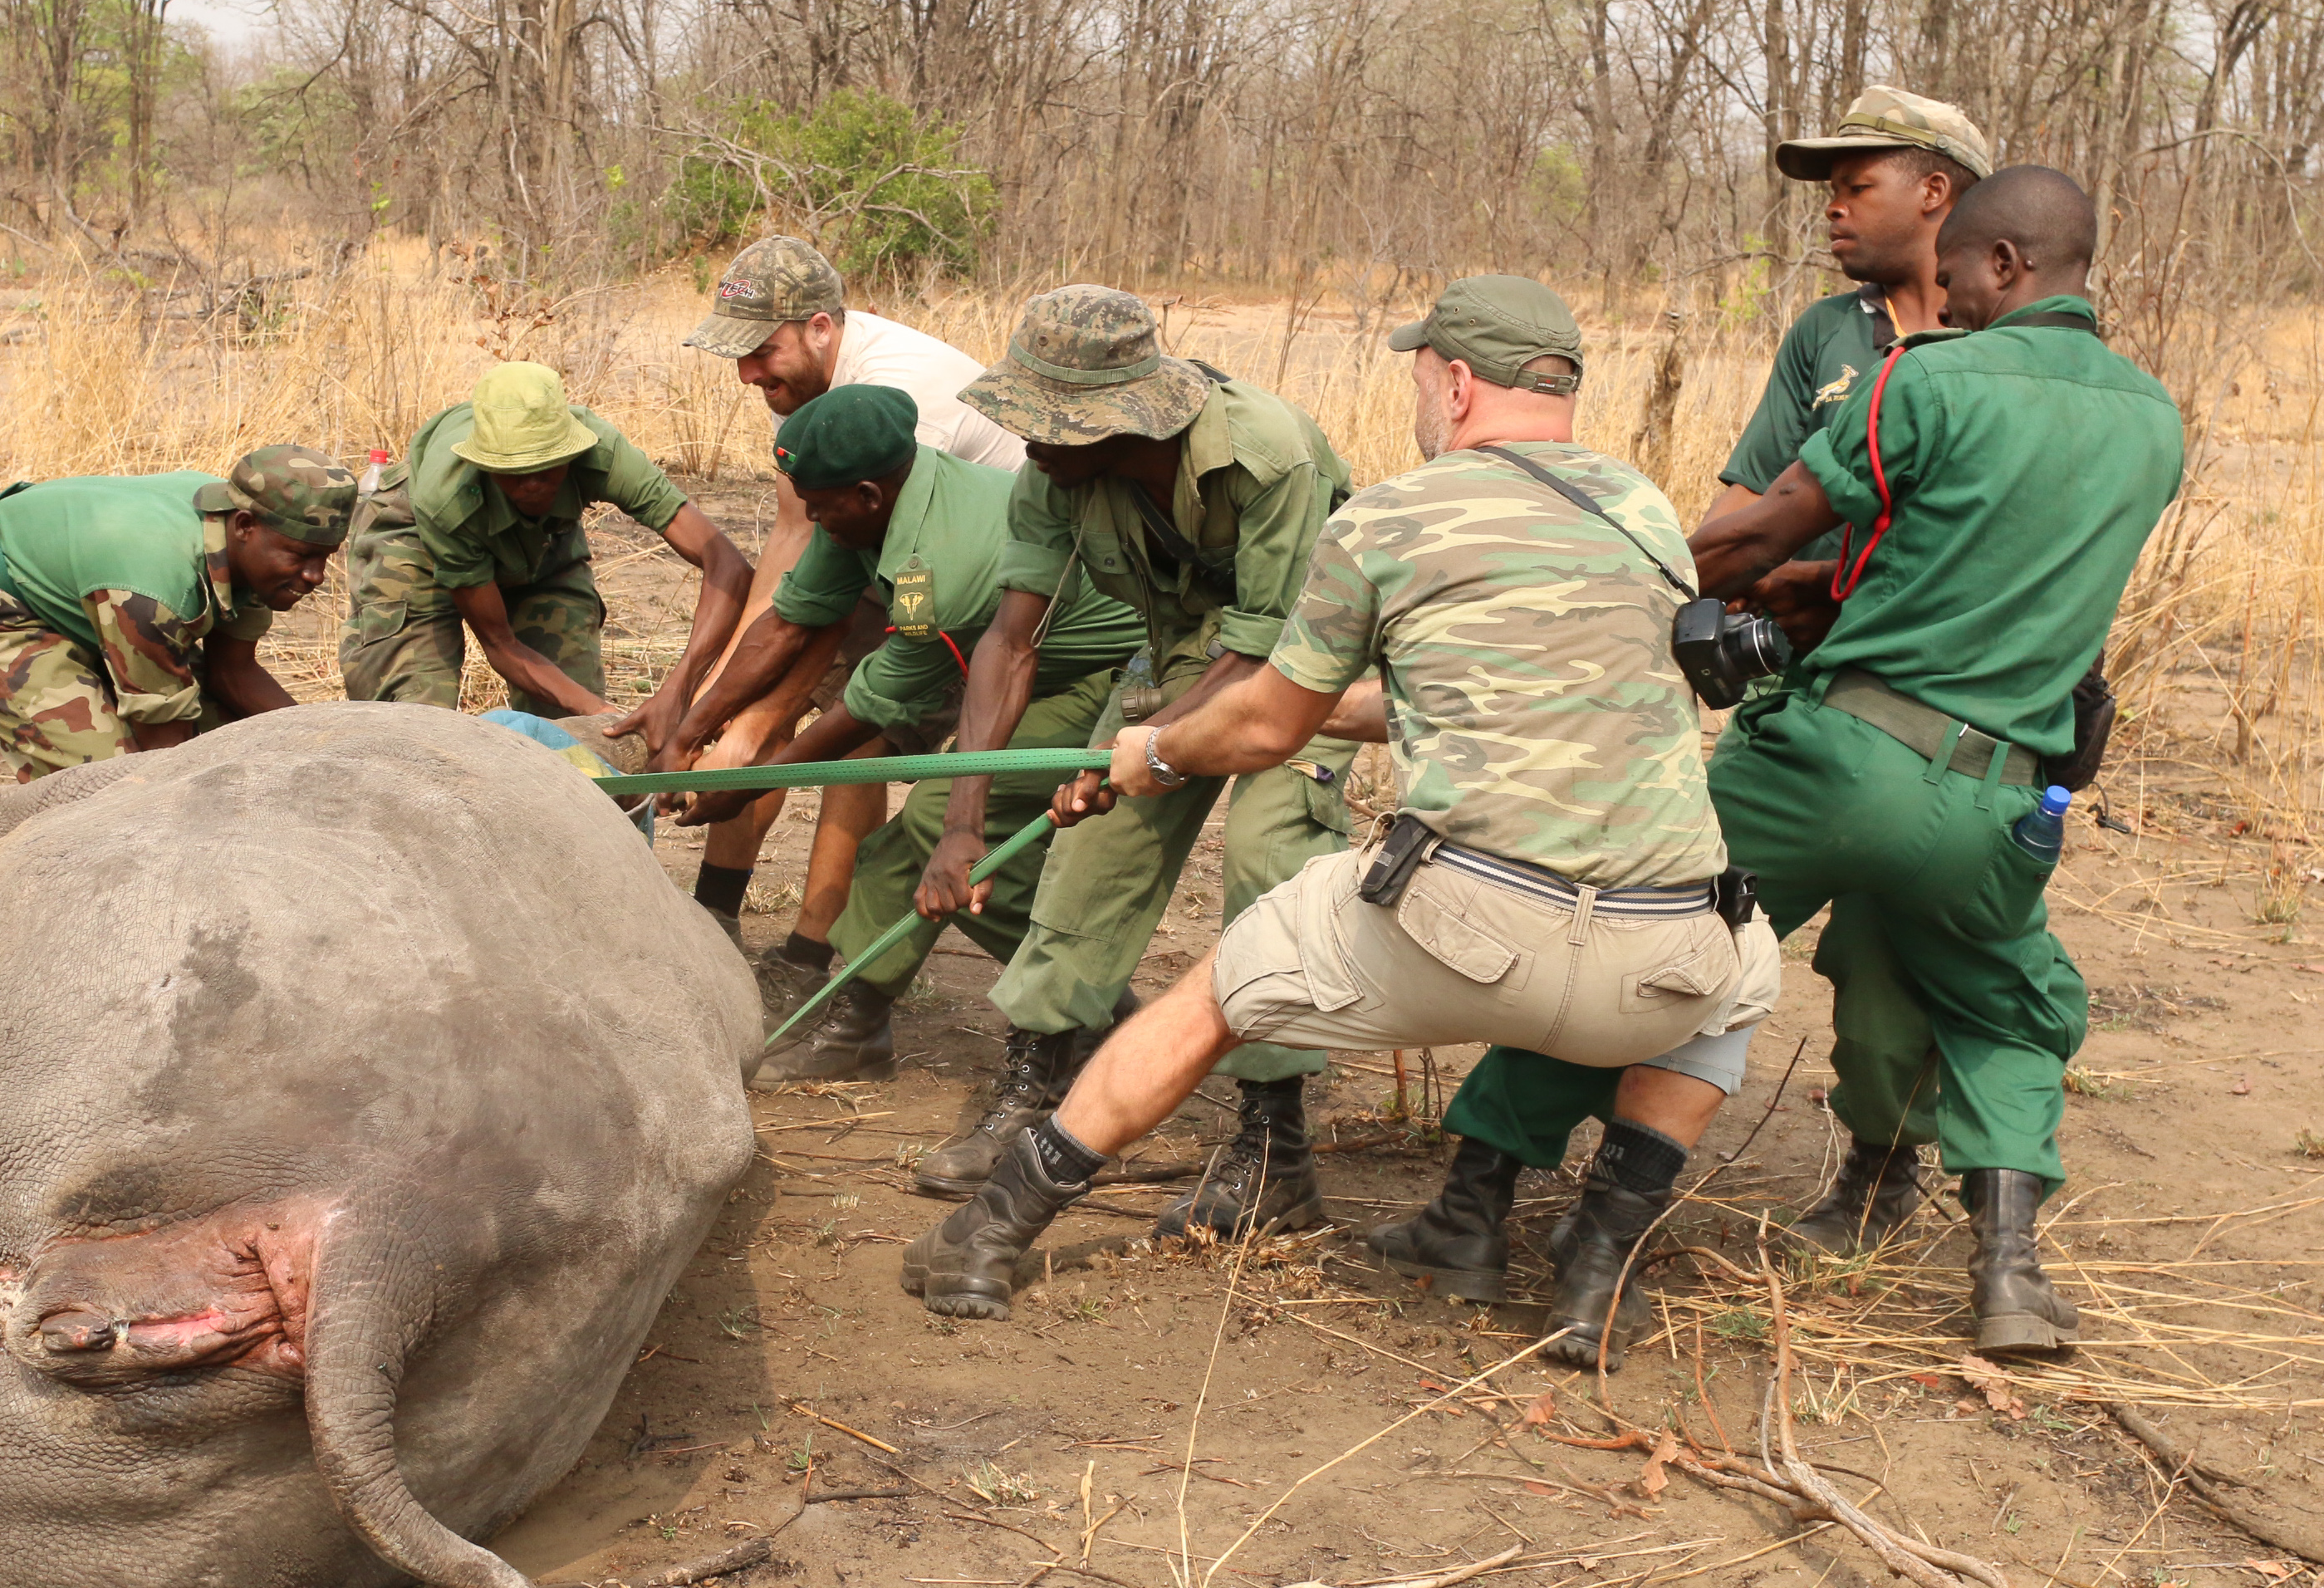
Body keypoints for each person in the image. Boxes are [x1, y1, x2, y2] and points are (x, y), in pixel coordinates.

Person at [897, 277, 1777, 1357]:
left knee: (1210, 992)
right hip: (1663, 956)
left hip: (1462, 935)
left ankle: (991, 1232)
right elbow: (1519, 692)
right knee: (1744, 978)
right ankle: (1597, 1261)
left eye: (1418, 373)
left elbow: (1266, 724)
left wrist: (1155, 748)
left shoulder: (1388, 516)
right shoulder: (1643, 512)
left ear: (1454, 382)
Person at [1508, 167, 2181, 1359]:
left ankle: (1517, 1219)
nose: (1949, 290)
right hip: (2001, 793)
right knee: (2005, 1002)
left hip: (1829, 757)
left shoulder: (1918, 382)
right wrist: (1841, 584)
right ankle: (2008, 1271)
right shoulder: (2150, 416)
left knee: (1645, 942)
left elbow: (1750, 531)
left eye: (1961, 270)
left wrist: (1615, 588)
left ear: (2007, 266)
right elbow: (1986, 573)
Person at [1439, 85, 2002, 1262]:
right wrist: (1666, 597)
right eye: (1831, 192)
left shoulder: (2017, 343)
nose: (1835, 210)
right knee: (1658, 924)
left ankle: (1874, 1170)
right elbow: (1746, 508)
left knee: (1898, 964)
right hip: (1808, 699)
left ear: (1936, 191)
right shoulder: (1828, 337)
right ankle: (1479, 1186)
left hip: (1951, 712)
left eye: (1859, 185)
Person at [895, 284, 1363, 1231]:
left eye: (1046, 424)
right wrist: (961, 816)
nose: (1025, 445)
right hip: (1193, 647)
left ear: (1111, 423)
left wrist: (1141, 751)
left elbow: (1269, 646)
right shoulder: (1054, 475)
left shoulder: (1266, 454)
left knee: (1272, 863)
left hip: (1312, 653)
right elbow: (1009, 641)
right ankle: (1042, 1078)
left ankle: (1273, 1146)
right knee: (1088, 860)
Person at [672, 385, 1145, 1095]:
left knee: (938, 824)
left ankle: (1099, 1006)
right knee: (901, 846)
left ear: (865, 494)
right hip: (1019, 662)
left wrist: (751, 781)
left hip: (1101, 677)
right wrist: (689, 724)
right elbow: (788, 619)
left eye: (820, 504)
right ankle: (857, 1028)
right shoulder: (869, 511)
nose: (811, 518)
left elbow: (871, 703)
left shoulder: (936, 565)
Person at [657, 237, 1024, 992]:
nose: (747, 373)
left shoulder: (899, 404)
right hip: (883, 556)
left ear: (820, 327)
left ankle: (808, 957)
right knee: (756, 703)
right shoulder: (809, 398)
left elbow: (851, 592)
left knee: (858, 736)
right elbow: (799, 549)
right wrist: (711, 705)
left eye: (761, 350)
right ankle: (713, 917)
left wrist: (757, 732)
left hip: (974, 583)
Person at [337, 361, 751, 727]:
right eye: (514, 471)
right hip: (415, 546)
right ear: (484, 461)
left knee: (570, 724)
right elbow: (499, 643)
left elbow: (724, 561)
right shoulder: (446, 499)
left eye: (547, 467)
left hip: (542, 544)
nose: (532, 485)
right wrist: (603, 712)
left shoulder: (601, 452)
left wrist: (681, 693)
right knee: (415, 722)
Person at [0, 445, 357, 782]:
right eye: (300, 557)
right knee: (109, 783)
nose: (316, 576)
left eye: (325, 558)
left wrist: (320, 745)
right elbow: (162, 753)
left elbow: (233, 673)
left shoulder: (259, 536)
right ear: (243, 526)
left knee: (235, 740)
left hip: (92, 593)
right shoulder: (154, 590)